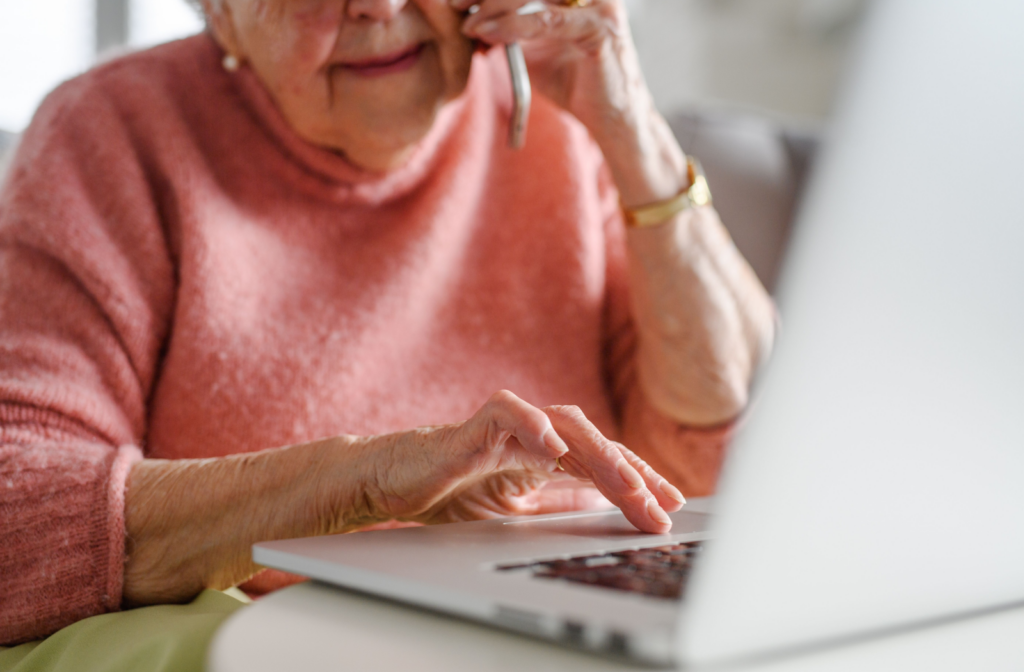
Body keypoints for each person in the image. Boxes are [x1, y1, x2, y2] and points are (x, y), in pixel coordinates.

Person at [0, 0, 775, 652]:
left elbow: (701, 469)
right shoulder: (111, 132)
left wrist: (630, 128)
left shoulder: (555, 115)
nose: (377, 4)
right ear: (219, 16)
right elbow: (23, 521)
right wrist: (364, 483)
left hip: (570, 636)